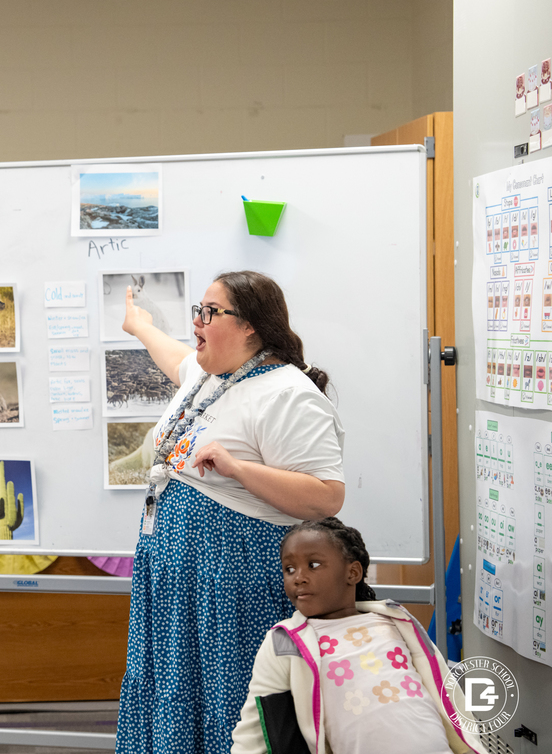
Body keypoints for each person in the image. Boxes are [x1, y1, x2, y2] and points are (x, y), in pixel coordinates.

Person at [115, 271, 345, 754]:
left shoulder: (288, 393)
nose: (197, 321)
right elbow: (173, 356)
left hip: (232, 586)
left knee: (231, 700)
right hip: (180, 584)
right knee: (178, 692)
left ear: (250, 327)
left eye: (210, 312)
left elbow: (326, 497)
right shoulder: (209, 376)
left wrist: (238, 469)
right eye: (197, 310)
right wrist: (138, 325)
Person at [231, 518, 483, 754]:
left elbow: (449, 695)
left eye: (313, 565)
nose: (298, 577)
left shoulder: (396, 621)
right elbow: (254, 731)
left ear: (353, 573)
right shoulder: (285, 641)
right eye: (289, 568)